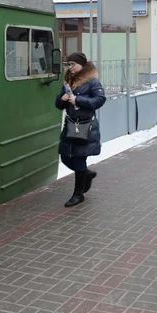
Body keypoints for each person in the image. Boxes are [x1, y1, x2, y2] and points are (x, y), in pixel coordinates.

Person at [55, 52, 106, 207]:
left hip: (85, 126)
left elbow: (100, 100)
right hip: (70, 125)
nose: (70, 67)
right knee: (65, 156)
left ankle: (78, 194)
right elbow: (58, 105)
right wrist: (61, 99)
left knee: (79, 158)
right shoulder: (68, 81)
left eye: (73, 64)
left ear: (82, 65)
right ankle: (86, 174)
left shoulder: (92, 81)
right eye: (68, 64)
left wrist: (78, 100)